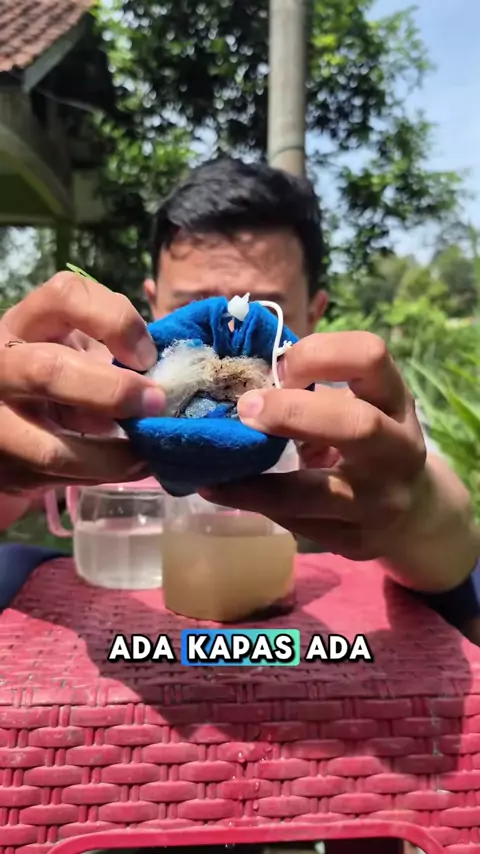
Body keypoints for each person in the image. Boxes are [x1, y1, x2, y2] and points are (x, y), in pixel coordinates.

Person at [0, 157, 478, 640]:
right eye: (191, 306)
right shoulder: (98, 404)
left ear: (314, 313)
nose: (227, 330)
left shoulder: (346, 416)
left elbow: (457, 553)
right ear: (152, 302)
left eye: (264, 307)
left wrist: (409, 506)